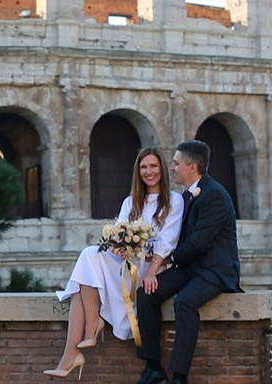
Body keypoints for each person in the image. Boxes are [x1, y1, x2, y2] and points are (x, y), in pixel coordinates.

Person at [44, 147, 184, 379]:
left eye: (153, 166)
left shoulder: (173, 201)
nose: (149, 172)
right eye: (143, 167)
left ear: (162, 169)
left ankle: (74, 351)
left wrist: (151, 271)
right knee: (89, 256)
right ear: (137, 172)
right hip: (125, 263)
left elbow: (168, 241)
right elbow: (118, 232)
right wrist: (119, 246)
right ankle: (86, 333)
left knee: (81, 281)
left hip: (149, 267)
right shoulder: (130, 202)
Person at [134, 140, 243, 384]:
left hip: (216, 271)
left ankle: (179, 376)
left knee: (184, 303)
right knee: (147, 293)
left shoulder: (215, 195)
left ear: (191, 167)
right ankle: (153, 366)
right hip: (191, 268)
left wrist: (168, 259)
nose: (171, 167)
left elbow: (199, 243)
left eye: (175, 163)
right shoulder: (187, 195)